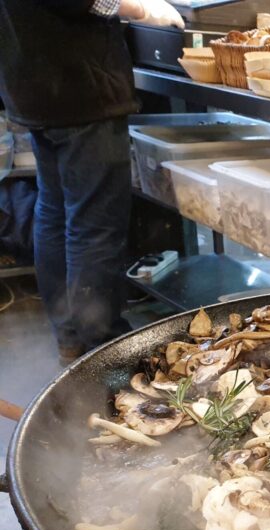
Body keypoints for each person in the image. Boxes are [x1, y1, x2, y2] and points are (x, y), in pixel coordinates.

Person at [0, 0, 183, 364]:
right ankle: (104, 345)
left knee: (54, 212)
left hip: (32, 87)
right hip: (79, 89)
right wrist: (139, 8)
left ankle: (70, 336)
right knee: (94, 225)